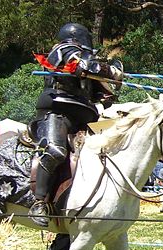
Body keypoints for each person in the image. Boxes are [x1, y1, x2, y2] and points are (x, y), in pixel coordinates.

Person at [29, 23, 124, 226]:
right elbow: (84, 66)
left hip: (83, 117)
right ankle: (39, 203)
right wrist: (112, 71)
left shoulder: (85, 60)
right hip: (57, 110)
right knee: (55, 151)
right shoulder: (63, 50)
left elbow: (95, 87)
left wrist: (105, 94)